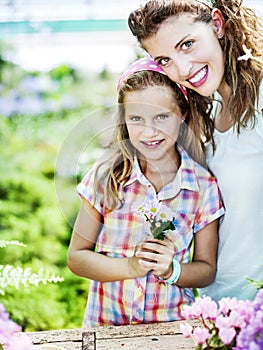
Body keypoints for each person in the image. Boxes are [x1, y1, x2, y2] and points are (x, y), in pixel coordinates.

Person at [67, 56, 224, 327]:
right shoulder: (106, 178)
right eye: (137, 118)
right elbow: (77, 258)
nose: (149, 131)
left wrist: (171, 269)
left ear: (182, 113)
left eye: (162, 116)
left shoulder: (203, 187)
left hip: (171, 331)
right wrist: (129, 267)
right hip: (107, 329)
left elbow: (206, 270)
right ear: (124, 119)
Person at [128, 0, 263, 301]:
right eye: (164, 60)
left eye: (187, 44)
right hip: (216, 309)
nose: (182, 69)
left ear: (217, 24)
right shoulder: (210, 115)